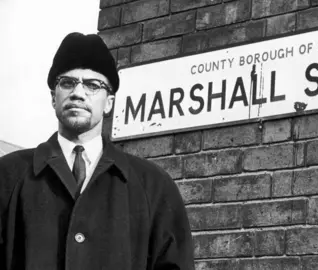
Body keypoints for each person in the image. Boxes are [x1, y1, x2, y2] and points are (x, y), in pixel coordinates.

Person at [0, 32, 194, 269]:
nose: (78, 93)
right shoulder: (7, 177)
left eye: (93, 85)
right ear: (53, 97)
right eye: (67, 82)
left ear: (109, 102)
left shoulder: (152, 185)